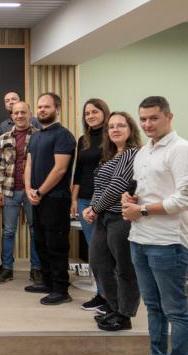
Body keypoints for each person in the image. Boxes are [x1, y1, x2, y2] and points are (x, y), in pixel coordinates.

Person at [120, 96, 188, 355]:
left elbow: (185, 199)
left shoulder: (182, 149)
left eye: (153, 118)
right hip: (140, 238)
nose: (147, 124)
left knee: (175, 311)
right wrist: (131, 200)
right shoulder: (144, 151)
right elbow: (144, 191)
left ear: (169, 116)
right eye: (143, 119)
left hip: (168, 243)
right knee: (153, 306)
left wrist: (141, 210)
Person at [83, 112, 142, 331]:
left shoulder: (131, 153)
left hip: (121, 217)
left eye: (121, 125)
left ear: (131, 129)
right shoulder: (109, 156)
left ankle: (124, 315)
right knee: (98, 263)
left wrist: (95, 208)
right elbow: (100, 187)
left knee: (125, 268)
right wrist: (91, 207)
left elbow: (118, 186)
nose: (115, 129)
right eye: (111, 126)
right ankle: (115, 306)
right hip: (104, 217)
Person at [23, 92, 76, 305]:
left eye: (46, 106)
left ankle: (61, 289)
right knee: (40, 242)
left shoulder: (63, 135)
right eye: (40, 107)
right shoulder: (35, 136)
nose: (42, 110)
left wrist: (40, 192)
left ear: (57, 109)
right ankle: (47, 282)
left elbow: (60, 169)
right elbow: (28, 164)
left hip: (55, 198)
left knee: (56, 245)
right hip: (36, 198)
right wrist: (28, 189)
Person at [0, 101, 43, 285]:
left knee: (35, 230)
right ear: (12, 116)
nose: (20, 116)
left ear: (30, 114)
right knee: (8, 231)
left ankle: (36, 268)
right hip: (10, 191)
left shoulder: (39, 136)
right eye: (16, 113)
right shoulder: (4, 138)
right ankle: (7, 268)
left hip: (33, 191)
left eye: (23, 112)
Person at [72, 98, 111, 312]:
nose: (90, 116)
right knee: (94, 251)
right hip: (84, 199)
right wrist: (74, 199)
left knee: (107, 251)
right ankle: (101, 294)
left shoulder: (111, 136)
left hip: (106, 200)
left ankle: (111, 297)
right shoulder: (83, 140)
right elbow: (78, 172)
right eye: (87, 113)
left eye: (95, 111)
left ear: (104, 112)